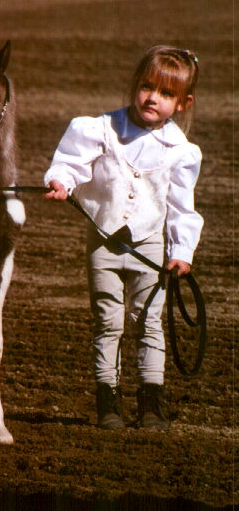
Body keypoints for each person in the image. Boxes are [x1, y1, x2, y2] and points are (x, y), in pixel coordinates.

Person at [44, 46, 203, 430]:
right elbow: (71, 163)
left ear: (183, 103)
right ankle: (108, 402)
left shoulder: (181, 151)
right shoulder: (101, 129)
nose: (153, 98)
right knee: (107, 320)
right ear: (136, 86)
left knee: (149, 321)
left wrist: (182, 251)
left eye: (166, 94)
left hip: (151, 245)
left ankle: (151, 404)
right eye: (147, 87)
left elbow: (182, 206)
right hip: (104, 240)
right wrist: (61, 182)